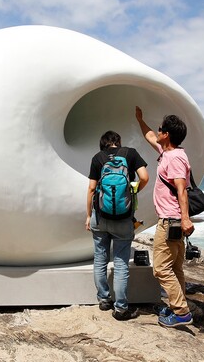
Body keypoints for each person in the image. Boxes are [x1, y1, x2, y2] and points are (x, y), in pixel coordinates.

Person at [135, 106, 194, 328]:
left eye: (160, 129)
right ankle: (178, 305)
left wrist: (186, 218)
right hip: (174, 220)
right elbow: (149, 135)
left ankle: (181, 312)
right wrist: (140, 119)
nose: (157, 132)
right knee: (175, 267)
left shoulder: (175, 158)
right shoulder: (166, 154)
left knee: (160, 268)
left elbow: (181, 190)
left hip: (171, 220)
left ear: (167, 134)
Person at [86, 130, 149, 320]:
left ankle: (104, 300)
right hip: (123, 218)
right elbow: (144, 177)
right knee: (121, 263)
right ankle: (121, 308)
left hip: (101, 217)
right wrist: (134, 189)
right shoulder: (130, 154)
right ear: (118, 142)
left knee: (100, 258)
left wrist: (89, 216)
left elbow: (91, 188)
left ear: (102, 144)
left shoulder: (98, 158)